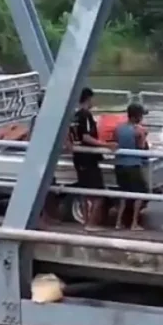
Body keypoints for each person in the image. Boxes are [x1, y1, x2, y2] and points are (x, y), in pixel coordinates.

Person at [70, 87, 116, 231]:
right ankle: (91, 224)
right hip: (88, 158)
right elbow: (86, 136)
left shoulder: (74, 115)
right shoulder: (86, 115)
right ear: (88, 99)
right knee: (99, 194)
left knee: (84, 191)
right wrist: (106, 145)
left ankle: (85, 222)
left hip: (78, 157)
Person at [113, 103, 149, 231]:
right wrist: (144, 137)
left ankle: (118, 222)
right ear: (136, 117)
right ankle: (134, 223)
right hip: (133, 165)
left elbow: (115, 142)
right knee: (140, 194)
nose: (142, 118)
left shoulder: (118, 128)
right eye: (140, 115)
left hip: (119, 165)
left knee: (123, 194)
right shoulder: (138, 131)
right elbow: (141, 148)